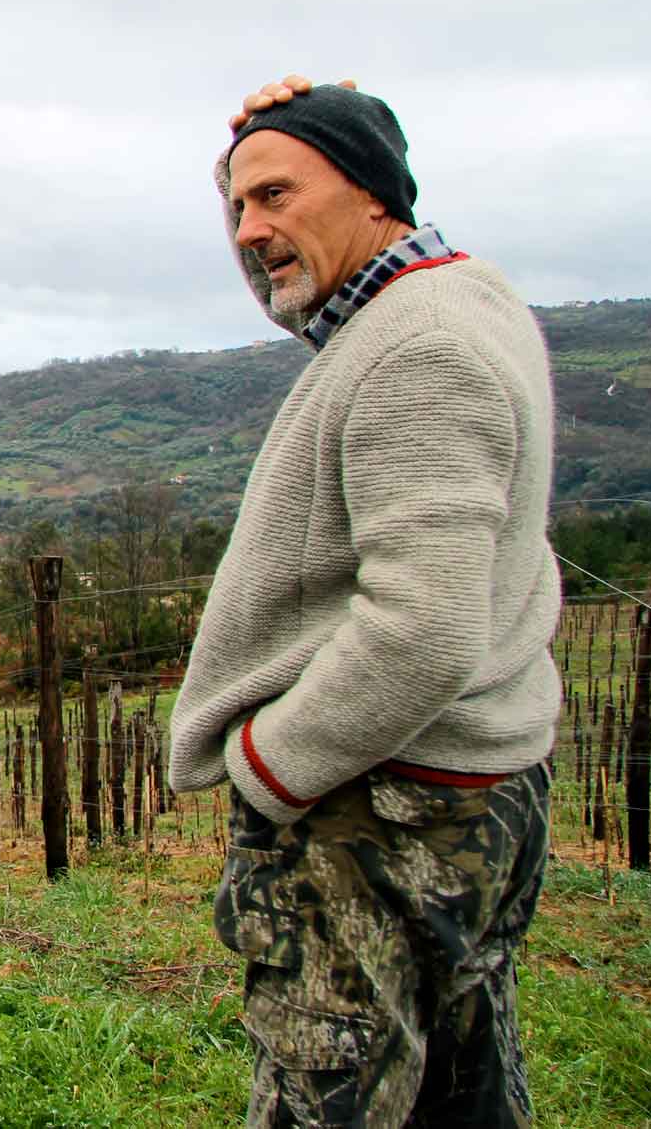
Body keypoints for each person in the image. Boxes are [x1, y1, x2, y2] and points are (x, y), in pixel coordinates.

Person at [169, 75, 561, 1127]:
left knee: (323, 1101)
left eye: (278, 196)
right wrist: (252, 149)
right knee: (456, 1098)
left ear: (372, 194)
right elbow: (292, 281)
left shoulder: (416, 351)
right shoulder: (451, 296)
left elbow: (420, 629)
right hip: (466, 786)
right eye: (238, 205)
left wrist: (271, 767)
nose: (251, 230)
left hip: (380, 808)